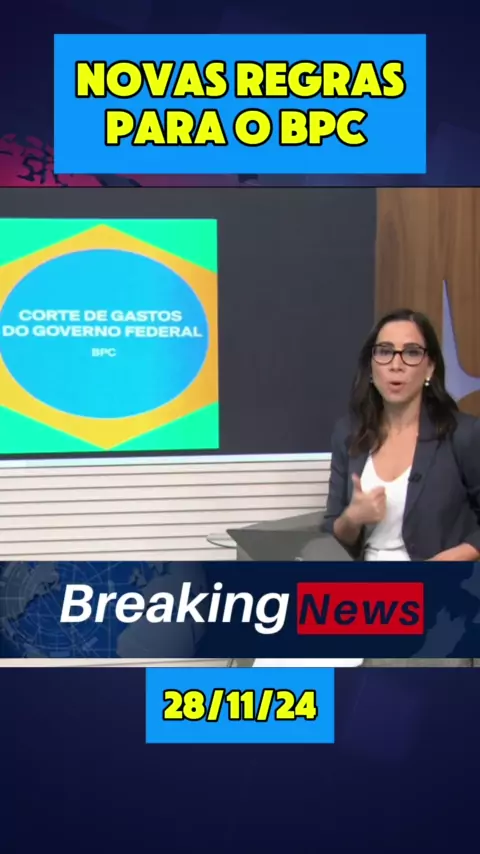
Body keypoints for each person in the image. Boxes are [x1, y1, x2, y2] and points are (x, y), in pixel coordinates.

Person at [322, 308, 480, 667]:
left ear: (429, 367)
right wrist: (352, 518)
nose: (396, 364)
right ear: (371, 366)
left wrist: (451, 560)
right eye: (384, 352)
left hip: (439, 602)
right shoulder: (348, 434)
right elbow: (333, 531)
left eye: (411, 353)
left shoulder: (463, 435)